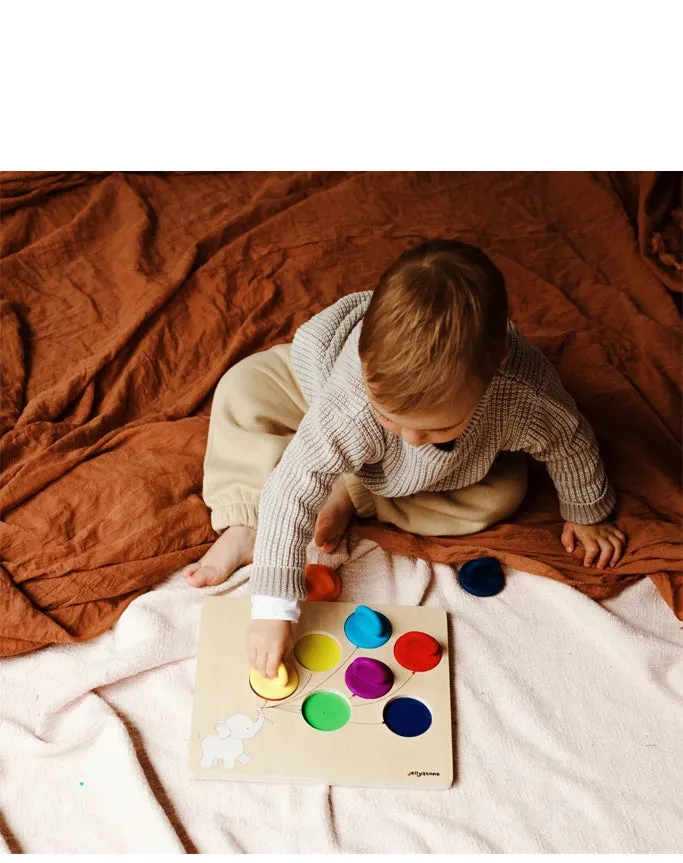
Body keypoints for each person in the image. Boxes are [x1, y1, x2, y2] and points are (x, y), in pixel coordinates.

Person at [184, 240, 626, 677]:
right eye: (393, 419)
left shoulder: (523, 396)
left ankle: (350, 492)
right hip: (319, 400)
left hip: (439, 471)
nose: (413, 439)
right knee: (243, 389)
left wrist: (586, 511)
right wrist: (273, 607)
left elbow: (570, 439)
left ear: (495, 370)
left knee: (504, 493)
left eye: (436, 428)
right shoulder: (353, 401)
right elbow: (292, 484)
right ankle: (248, 522)